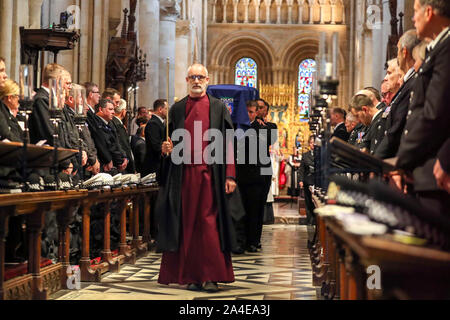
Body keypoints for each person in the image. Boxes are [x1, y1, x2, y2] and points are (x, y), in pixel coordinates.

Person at [156, 64, 236, 293]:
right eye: (193, 77)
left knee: (209, 224)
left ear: (208, 79)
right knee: (187, 224)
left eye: (200, 77)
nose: (197, 80)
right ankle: (191, 275)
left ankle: (211, 275)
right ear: (186, 79)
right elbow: (169, 144)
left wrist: (230, 174)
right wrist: (166, 149)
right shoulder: (178, 109)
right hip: (183, 176)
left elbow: (229, 144)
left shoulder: (219, 108)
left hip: (212, 174)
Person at [396, 0, 450, 215]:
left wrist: (403, 161)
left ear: (429, 12)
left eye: (416, 10)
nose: (412, 17)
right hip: (424, 168)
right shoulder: (436, 48)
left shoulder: (446, 49)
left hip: (436, 170)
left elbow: (435, 113)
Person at [376, 29, 420, 160]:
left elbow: (398, 128)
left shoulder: (414, 81)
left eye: (398, 50)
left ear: (404, 52)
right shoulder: (410, 81)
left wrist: (377, 160)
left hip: (402, 158)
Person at [143, 99, 167, 181]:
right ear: (160, 109)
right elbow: (156, 146)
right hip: (154, 165)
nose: (168, 111)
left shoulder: (160, 123)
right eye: (167, 108)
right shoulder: (153, 123)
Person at [299, 136, 316, 225]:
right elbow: (301, 169)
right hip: (307, 180)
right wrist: (301, 180)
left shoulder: (320, 154)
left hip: (316, 180)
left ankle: (315, 219)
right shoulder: (305, 155)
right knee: (308, 201)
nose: (312, 144)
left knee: (315, 201)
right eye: (311, 143)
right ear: (309, 144)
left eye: (314, 142)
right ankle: (309, 219)